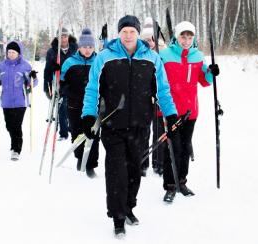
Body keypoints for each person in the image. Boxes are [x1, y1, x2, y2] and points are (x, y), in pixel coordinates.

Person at [81, 15, 177, 238]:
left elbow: (162, 90)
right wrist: (88, 115)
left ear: (137, 33)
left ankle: (129, 208)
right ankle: (117, 217)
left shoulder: (152, 58)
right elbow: (92, 89)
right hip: (112, 125)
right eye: (124, 31)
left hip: (141, 126)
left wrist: (170, 114)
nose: (127, 35)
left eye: (131, 31)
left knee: (134, 170)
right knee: (116, 172)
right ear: (119, 33)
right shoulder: (105, 57)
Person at [159, 21, 220, 202]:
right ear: (176, 37)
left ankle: (182, 182)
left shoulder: (198, 56)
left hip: (190, 111)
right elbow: (156, 79)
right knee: (172, 148)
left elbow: (205, 80)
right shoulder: (165, 55)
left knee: (185, 147)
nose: (186, 40)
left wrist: (211, 72)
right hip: (170, 110)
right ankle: (170, 185)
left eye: (189, 37)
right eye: (182, 36)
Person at [0, 41, 38, 161]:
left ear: (18, 53)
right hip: (6, 101)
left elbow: (32, 84)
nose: (10, 54)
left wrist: (33, 77)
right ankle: (14, 142)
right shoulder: (2, 65)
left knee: (16, 125)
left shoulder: (25, 66)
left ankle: (16, 149)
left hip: (20, 101)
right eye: (8, 52)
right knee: (9, 125)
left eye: (13, 52)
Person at [60, 28, 99, 178]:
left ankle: (91, 165)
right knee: (76, 133)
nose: (87, 50)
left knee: (92, 134)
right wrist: (66, 89)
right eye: (84, 47)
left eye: (90, 47)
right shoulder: (70, 62)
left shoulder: (98, 61)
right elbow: (62, 82)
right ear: (79, 47)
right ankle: (79, 157)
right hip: (74, 104)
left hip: (93, 105)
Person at [140, 17, 168, 176]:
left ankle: (159, 163)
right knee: (143, 132)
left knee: (159, 131)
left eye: (153, 39)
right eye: (147, 39)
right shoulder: (139, 53)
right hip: (143, 98)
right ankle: (143, 163)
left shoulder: (165, 53)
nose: (150, 42)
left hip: (159, 98)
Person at [43, 27, 78, 141]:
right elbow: (47, 70)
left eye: (65, 36)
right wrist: (46, 87)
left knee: (74, 107)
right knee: (62, 107)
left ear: (68, 37)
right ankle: (63, 133)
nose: (63, 39)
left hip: (74, 82)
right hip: (60, 83)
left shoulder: (75, 48)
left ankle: (73, 128)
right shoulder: (52, 51)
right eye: (61, 37)